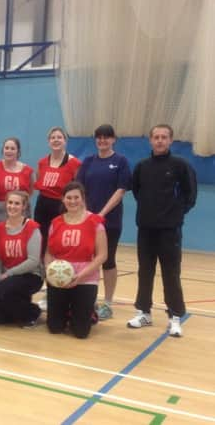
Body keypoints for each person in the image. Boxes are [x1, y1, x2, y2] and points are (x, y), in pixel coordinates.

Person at [127, 124, 197, 337]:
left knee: (171, 274)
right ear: (150, 140)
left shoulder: (181, 165)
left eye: (163, 137)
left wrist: (174, 215)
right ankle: (144, 312)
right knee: (145, 271)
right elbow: (137, 192)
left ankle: (175, 317)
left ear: (170, 140)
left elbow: (190, 195)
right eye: (156, 137)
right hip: (146, 230)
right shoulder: (141, 166)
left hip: (170, 231)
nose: (159, 141)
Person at [77, 124, 131, 320]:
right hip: (87, 220)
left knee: (107, 260)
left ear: (113, 139)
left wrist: (101, 213)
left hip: (110, 221)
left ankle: (108, 303)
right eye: (99, 137)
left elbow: (121, 190)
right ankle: (88, 299)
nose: (102, 140)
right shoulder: (88, 161)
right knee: (87, 260)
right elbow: (78, 190)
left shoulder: (121, 161)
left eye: (106, 137)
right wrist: (87, 215)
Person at [45, 182, 107, 339]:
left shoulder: (95, 222)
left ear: (83, 198)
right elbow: (48, 253)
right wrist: (51, 273)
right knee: (55, 328)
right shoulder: (56, 223)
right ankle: (68, 309)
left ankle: (88, 311)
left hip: (85, 278)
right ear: (63, 200)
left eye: (76, 198)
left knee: (80, 332)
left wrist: (79, 277)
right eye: (69, 198)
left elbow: (102, 255)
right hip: (60, 278)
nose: (72, 201)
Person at [0, 191, 42, 327]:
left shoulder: (32, 227)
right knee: (0, 319)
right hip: (7, 277)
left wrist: (9, 274)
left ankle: (33, 311)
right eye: (10, 203)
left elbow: (33, 261)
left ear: (24, 206)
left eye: (17, 203)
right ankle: (22, 302)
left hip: (30, 275)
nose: (12, 206)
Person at [34, 127, 81, 255]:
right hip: (42, 204)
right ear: (49, 141)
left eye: (59, 137)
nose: (56, 140)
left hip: (61, 205)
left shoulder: (74, 163)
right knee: (41, 237)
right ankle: (41, 268)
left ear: (65, 141)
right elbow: (39, 180)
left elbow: (78, 187)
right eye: (53, 137)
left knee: (58, 237)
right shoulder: (42, 162)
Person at [0, 137, 34, 223]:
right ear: (2, 150)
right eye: (6, 148)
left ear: (18, 152)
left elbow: (30, 192)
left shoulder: (28, 170)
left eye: (12, 148)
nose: (9, 151)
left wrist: (17, 204)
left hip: (19, 213)